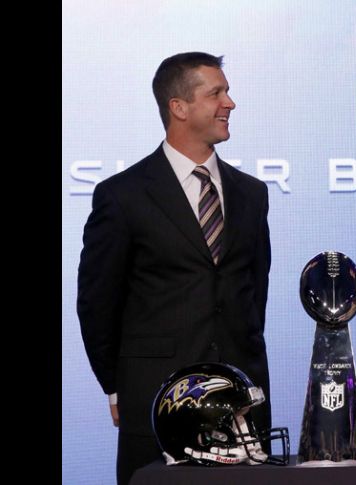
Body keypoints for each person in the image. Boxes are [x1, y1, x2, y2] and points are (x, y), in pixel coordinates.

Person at [77, 52, 273, 485]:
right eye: (216, 93)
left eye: (228, 91)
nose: (230, 103)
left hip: (243, 406)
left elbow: (253, 292)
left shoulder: (251, 194)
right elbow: (96, 303)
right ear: (178, 107)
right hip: (154, 404)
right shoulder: (122, 196)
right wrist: (116, 386)